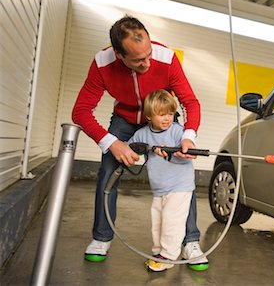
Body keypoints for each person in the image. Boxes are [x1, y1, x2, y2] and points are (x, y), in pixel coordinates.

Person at [71, 15, 208, 270]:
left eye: (148, 54)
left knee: (180, 179)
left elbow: (191, 102)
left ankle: (190, 241)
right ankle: (101, 237)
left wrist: (189, 136)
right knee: (107, 172)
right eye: (138, 60)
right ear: (118, 54)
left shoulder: (166, 58)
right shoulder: (102, 63)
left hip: (162, 119)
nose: (147, 62)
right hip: (123, 121)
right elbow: (80, 111)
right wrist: (112, 143)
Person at [128, 89, 196, 271]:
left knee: (172, 221)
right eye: (161, 114)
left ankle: (168, 256)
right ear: (149, 116)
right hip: (159, 188)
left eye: (171, 114)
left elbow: (187, 153)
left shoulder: (177, 131)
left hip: (180, 186)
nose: (167, 118)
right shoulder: (142, 134)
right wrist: (141, 150)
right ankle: (159, 251)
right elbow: (129, 149)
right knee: (157, 221)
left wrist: (173, 152)